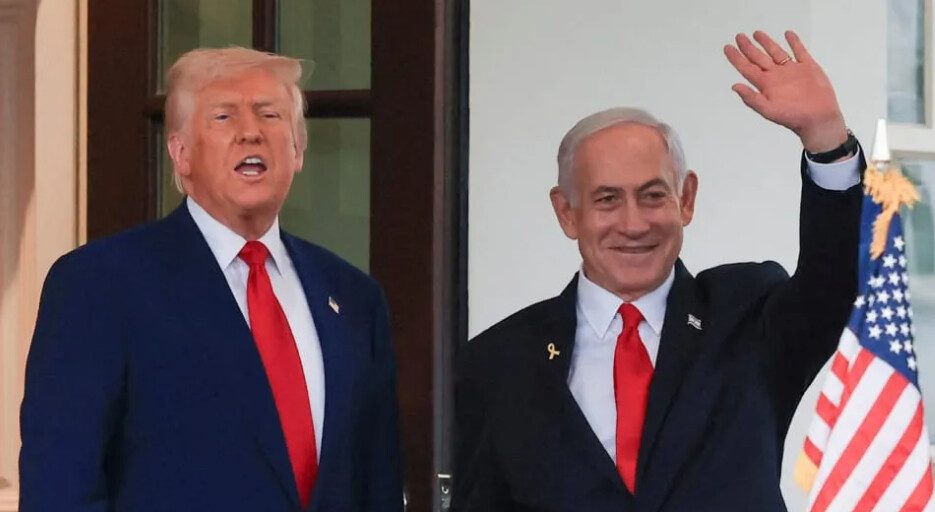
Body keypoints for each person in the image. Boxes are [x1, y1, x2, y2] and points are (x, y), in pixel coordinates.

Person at [452, 31, 864, 512]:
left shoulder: (748, 318)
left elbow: (833, 282)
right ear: (567, 213)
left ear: (685, 199)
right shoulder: (500, 361)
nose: (634, 224)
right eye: (608, 199)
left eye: (652, 196)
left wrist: (826, 139)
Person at [20, 47, 402, 512]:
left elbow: (377, 484)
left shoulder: (353, 298)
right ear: (180, 153)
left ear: (298, 150)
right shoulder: (99, 286)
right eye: (224, 116)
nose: (251, 132)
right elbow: (59, 488)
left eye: (270, 115)